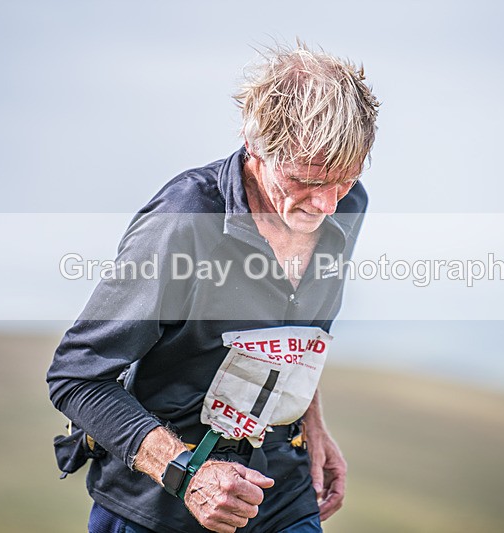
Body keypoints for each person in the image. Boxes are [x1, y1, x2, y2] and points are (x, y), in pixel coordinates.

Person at [47, 43, 380, 533]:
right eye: (305, 179)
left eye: (345, 179)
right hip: (160, 507)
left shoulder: (348, 206)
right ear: (256, 144)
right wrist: (189, 475)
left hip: (282, 493)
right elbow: (77, 378)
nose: (327, 205)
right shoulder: (186, 219)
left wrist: (311, 421)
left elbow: (295, 325)